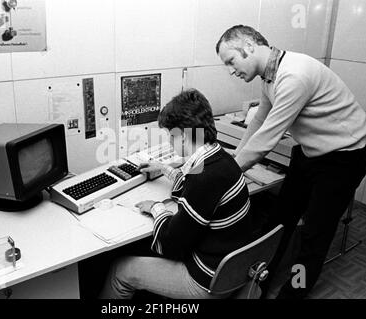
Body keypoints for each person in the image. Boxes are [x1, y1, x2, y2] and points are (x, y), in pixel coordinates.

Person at [215, 25, 366, 299]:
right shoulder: (270, 76)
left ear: (249, 46)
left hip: (345, 156)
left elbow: (266, 141)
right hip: (311, 151)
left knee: (313, 235)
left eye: (231, 61)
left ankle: (292, 294)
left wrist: (222, 178)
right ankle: (258, 282)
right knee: (279, 220)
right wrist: (233, 159)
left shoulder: (294, 75)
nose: (231, 70)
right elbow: (259, 121)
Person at [99, 88, 253, 299]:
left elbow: (172, 245)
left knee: (121, 269)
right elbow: (190, 181)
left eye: (171, 136)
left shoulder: (205, 178)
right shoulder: (220, 158)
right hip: (232, 268)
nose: (170, 142)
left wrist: (156, 209)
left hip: (206, 280)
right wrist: (163, 168)